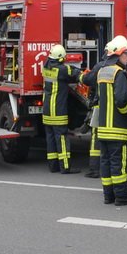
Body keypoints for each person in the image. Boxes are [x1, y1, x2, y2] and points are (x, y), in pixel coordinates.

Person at [96, 35, 127, 206]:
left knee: (105, 162)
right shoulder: (119, 74)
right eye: (126, 53)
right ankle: (121, 196)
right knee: (118, 163)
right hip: (118, 128)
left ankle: (108, 195)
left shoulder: (102, 72)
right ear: (118, 55)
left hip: (104, 127)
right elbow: (121, 101)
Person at [42, 44, 82, 174]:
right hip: (58, 111)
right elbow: (75, 73)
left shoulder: (46, 67)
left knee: (51, 139)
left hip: (47, 110)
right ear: (60, 59)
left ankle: (53, 166)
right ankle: (65, 166)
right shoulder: (62, 70)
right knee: (62, 138)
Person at [81, 40, 114, 178]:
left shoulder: (100, 66)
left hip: (100, 107)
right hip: (115, 109)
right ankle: (115, 168)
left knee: (96, 138)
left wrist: (81, 76)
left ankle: (95, 169)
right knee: (115, 139)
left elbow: (88, 80)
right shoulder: (123, 68)